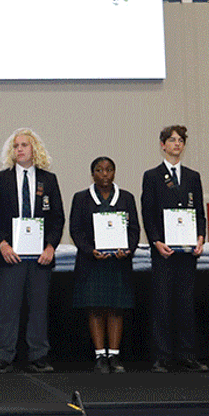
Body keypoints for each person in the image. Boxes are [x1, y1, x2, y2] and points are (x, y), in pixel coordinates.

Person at [0, 128, 64, 373]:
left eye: (24, 145)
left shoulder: (48, 180)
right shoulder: (1, 179)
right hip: (11, 255)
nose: (19, 149)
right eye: (16, 146)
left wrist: (50, 246)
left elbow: (57, 218)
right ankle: (4, 357)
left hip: (40, 257)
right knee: (8, 308)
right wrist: (2, 244)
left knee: (39, 308)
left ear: (34, 149)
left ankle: (39, 356)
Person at [140, 124, 209, 373]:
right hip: (163, 251)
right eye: (172, 140)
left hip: (187, 252)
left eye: (180, 140)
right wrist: (156, 241)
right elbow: (148, 212)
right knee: (163, 303)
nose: (176, 144)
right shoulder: (152, 176)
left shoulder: (193, 176)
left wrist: (200, 237)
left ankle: (187, 355)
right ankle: (162, 356)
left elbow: (199, 211)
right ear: (163, 145)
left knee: (186, 304)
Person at [69, 157, 140, 373]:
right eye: (99, 170)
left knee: (116, 308)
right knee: (95, 308)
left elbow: (134, 229)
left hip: (118, 263)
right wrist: (90, 250)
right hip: (91, 263)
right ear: (92, 174)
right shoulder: (81, 198)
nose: (105, 174)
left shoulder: (126, 197)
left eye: (109, 170)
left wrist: (128, 248)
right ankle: (100, 355)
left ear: (114, 172)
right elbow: (75, 230)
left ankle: (114, 356)